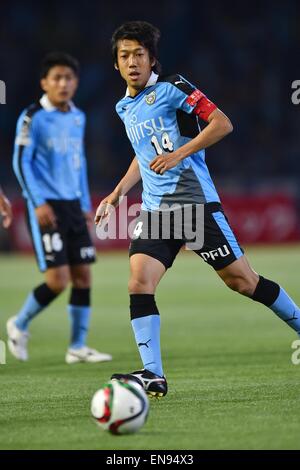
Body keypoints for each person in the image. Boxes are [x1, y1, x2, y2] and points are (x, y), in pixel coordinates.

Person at [95, 21, 300, 397]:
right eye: (124, 56)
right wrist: (117, 193)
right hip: (155, 212)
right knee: (139, 282)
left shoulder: (173, 87)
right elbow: (142, 157)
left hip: (193, 204)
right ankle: (153, 373)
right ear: (116, 65)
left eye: (139, 54)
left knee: (243, 282)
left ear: (152, 58)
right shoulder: (124, 107)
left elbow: (223, 124)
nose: (132, 62)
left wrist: (179, 154)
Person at [9, 52, 112, 364]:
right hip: (46, 205)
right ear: (44, 82)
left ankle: (77, 347)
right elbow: (20, 161)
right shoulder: (32, 117)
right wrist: (37, 202)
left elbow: (77, 164)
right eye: (57, 78)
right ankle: (19, 323)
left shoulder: (78, 117)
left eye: (68, 78)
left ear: (76, 82)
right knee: (58, 280)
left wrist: (83, 203)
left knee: (83, 276)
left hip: (71, 205)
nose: (63, 84)